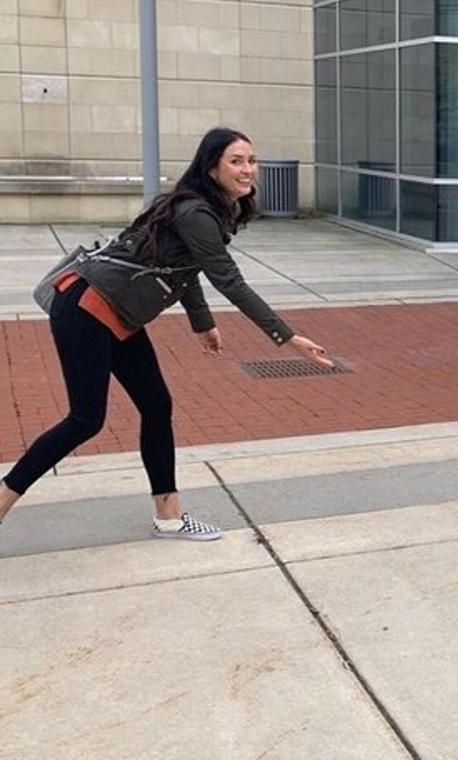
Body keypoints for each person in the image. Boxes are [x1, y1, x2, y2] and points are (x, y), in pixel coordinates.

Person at [0, 127, 332, 540]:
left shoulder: (207, 208)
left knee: (156, 405)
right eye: (236, 161)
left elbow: (181, 268)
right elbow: (230, 282)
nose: (248, 170)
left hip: (116, 312)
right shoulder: (196, 212)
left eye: (251, 160)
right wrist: (287, 337)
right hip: (87, 308)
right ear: (211, 168)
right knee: (86, 419)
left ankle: (169, 515)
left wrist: (202, 322)